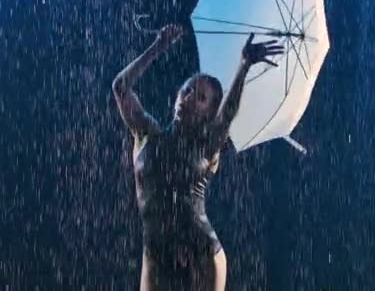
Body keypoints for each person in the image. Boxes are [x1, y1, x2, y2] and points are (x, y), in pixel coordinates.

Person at [112, 24, 283, 290]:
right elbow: (121, 87)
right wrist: (157, 47)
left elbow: (227, 115)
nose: (189, 97)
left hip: (201, 255)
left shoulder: (208, 145)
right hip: (155, 254)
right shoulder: (146, 134)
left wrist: (244, 66)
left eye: (200, 97)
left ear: (207, 113)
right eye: (188, 90)